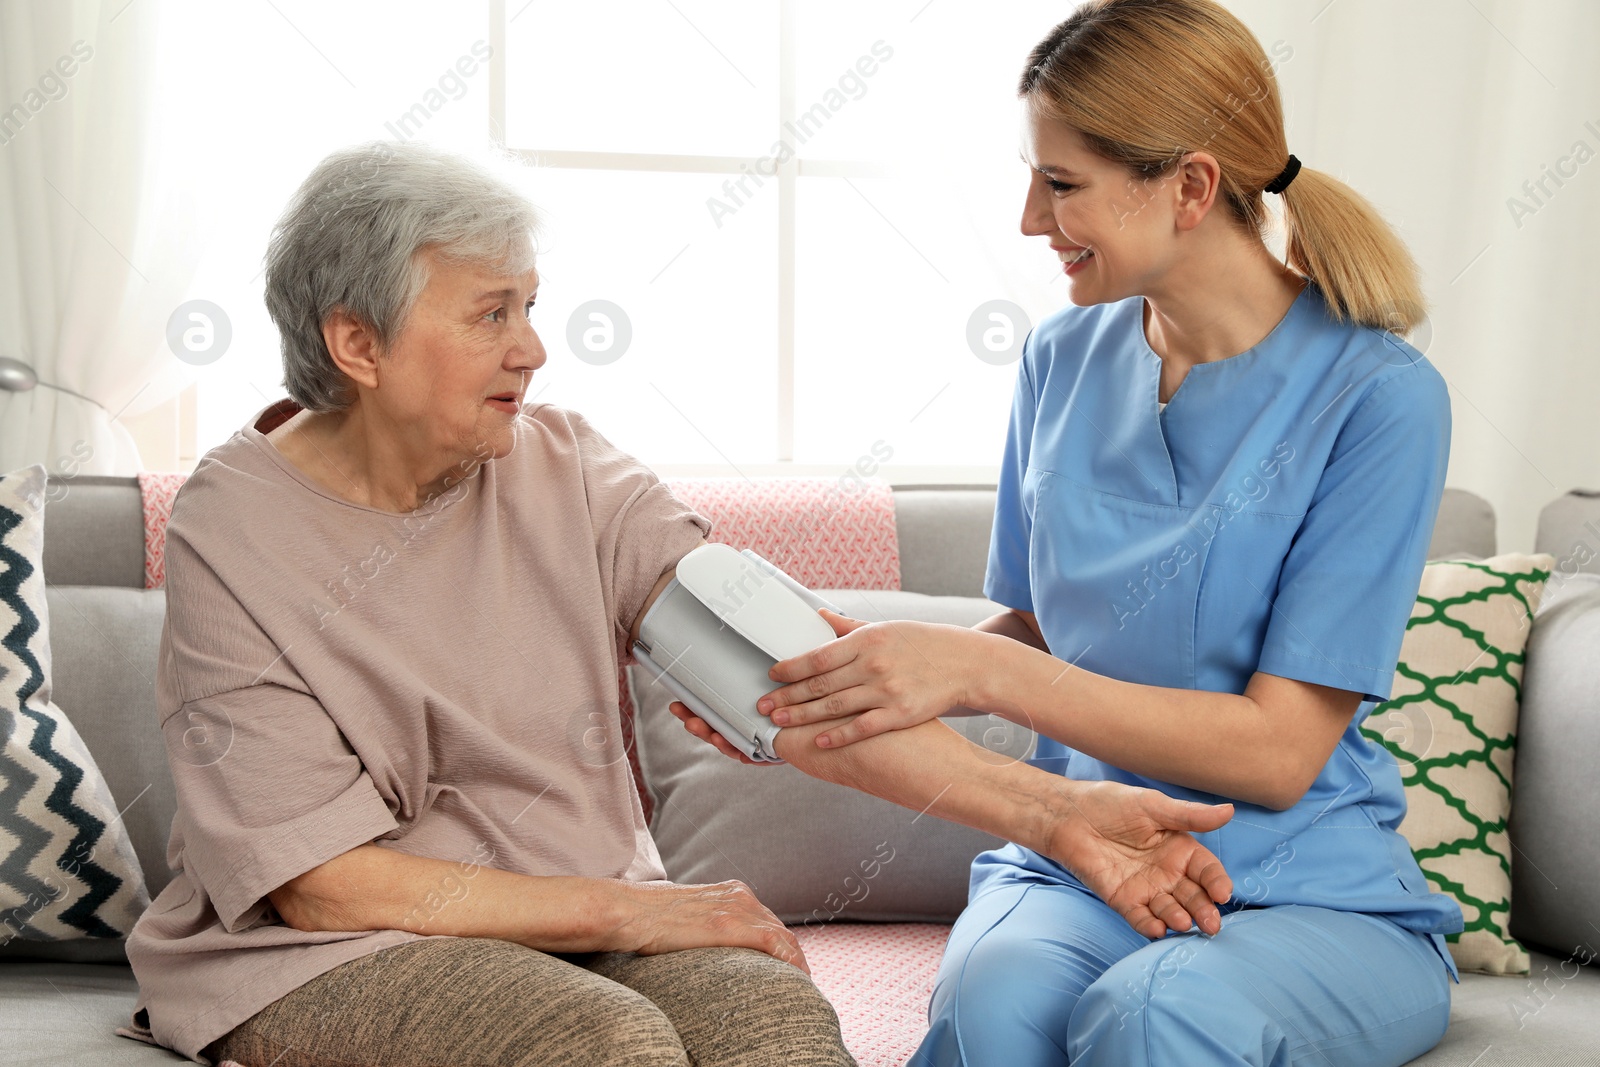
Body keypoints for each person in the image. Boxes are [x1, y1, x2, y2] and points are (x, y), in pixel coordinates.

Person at [122, 139, 1241, 1067]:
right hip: (330, 952)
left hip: (588, 921)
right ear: (355, 342)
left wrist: (1053, 815)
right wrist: (630, 910)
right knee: (603, 1042)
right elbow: (320, 886)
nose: (533, 348)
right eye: (489, 314)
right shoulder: (235, 525)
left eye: (531, 306)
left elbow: (799, 684)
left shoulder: (565, 467)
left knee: (778, 1029)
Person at [679, 1, 1464, 1064]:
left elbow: (1279, 755)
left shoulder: (1379, 396)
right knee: (992, 1012)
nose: (1026, 220)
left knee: (1158, 1013)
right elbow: (1035, 632)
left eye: (1061, 185)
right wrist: (828, 689)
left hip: (1305, 888)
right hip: (1080, 858)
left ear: (1188, 187)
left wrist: (968, 671)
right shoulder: (1061, 358)